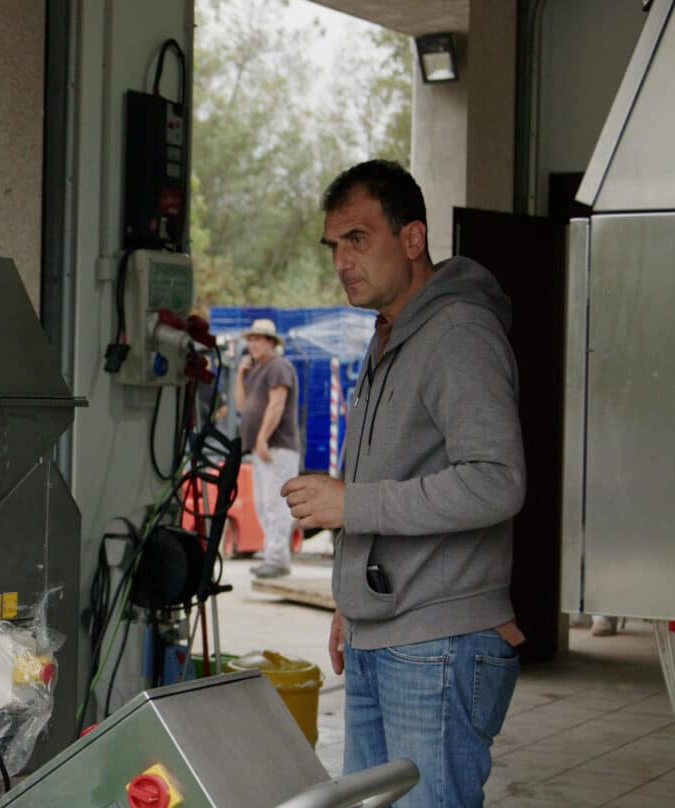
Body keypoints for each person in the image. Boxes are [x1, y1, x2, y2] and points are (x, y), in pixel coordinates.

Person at [281, 160, 526, 807]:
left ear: (412, 239)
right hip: (382, 633)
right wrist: (350, 599)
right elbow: (402, 472)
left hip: (437, 645)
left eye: (358, 239)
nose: (342, 260)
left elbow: (498, 481)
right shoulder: (388, 337)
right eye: (335, 246)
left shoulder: (458, 332)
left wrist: (348, 502)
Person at [234, 318, 300, 579]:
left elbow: (277, 404)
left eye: (258, 339)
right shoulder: (258, 370)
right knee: (264, 504)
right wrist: (241, 374)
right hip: (263, 448)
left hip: (277, 447)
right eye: (250, 339)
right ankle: (275, 556)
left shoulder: (278, 366)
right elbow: (241, 406)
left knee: (275, 504)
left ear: (271, 342)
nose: (252, 343)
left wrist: (262, 438)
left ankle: (276, 558)